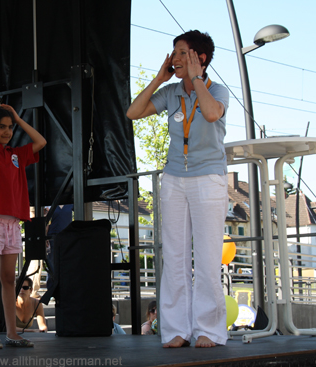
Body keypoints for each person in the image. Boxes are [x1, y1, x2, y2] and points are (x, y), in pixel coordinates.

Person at [127, 30, 229, 348]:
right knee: (173, 256)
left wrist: (197, 80)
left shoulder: (218, 91)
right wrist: (159, 78)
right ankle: (175, 330)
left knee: (209, 255)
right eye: (173, 52)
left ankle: (208, 330)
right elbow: (133, 112)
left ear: (201, 58)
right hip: (173, 179)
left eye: (182, 52)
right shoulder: (170, 92)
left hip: (208, 178)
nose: (175, 57)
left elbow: (212, 113)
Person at [0, 104, 46, 349]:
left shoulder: (17, 154)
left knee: (9, 278)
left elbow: (41, 141)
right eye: (1, 127)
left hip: (12, 224)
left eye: (9, 127)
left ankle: (12, 333)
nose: (6, 131)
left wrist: (17, 117)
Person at [45, 204, 73, 291]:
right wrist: (45, 237)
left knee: (66, 262)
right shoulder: (51, 204)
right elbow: (46, 222)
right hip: (53, 237)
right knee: (52, 262)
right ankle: (51, 288)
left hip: (67, 236)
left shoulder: (70, 204)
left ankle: (65, 287)